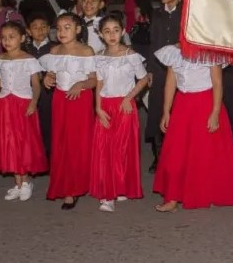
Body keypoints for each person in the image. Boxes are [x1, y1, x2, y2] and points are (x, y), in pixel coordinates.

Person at [153, 43, 233, 212]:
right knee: (176, 151)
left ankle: (206, 192)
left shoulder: (210, 52)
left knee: (205, 152)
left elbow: (217, 83)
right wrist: (166, 111)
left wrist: (215, 112)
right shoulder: (173, 52)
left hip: (205, 104)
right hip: (182, 104)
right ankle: (172, 197)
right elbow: (170, 83)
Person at [0, 21, 46, 201]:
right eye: (4, 37)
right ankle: (17, 183)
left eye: (11, 37)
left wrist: (33, 102)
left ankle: (26, 181)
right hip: (4, 106)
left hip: (23, 105)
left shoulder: (29, 60)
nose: (7, 41)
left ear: (22, 38)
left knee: (23, 143)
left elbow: (36, 85)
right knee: (9, 143)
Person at [91, 14, 149, 213]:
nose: (112, 35)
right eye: (107, 31)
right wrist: (98, 108)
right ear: (100, 34)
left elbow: (143, 79)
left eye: (116, 30)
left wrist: (128, 97)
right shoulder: (99, 56)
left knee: (121, 149)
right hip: (105, 106)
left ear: (123, 31)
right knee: (104, 149)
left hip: (125, 106)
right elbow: (99, 82)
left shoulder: (130, 55)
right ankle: (108, 194)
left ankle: (119, 186)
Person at [40, 13, 97, 209]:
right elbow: (51, 73)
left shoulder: (86, 51)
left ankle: (76, 186)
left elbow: (93, 80)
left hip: (79, 99)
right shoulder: (54, 51)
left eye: (67, 27)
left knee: (78, 142)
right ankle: (65, 184)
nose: (61, 32)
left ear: (78, 29)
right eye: (58, 28)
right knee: (61, 141)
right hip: (60, 99)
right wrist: (47, 78)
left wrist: (81, 84)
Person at [146, 0, 183, 173]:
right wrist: (150, 70)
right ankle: (158, 156)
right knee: (156, 111)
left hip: (181, 70)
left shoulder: (186, 14)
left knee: (178, 111)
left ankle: (178, 156)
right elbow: (153, 42)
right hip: (159, 69)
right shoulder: (157, 14)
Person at [23, 12, 57, 158]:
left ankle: (49, 154)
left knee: (47, 123)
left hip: (48, 93)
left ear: (49, 29)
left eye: (43, 27)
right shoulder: (24, 50)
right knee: (30, 124)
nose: (40, 30)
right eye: (35, 27)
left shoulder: (55, 48)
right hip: (27, 92)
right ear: (28, 31)